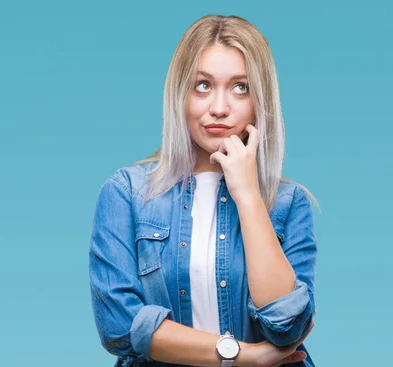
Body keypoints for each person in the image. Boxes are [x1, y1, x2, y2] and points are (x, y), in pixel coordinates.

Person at [88, 14, 319, 367]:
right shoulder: (127, 194)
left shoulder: (288, 204)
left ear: (261, 101)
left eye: (240, 87)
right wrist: (244, 356)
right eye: (203, 85)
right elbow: (121, 327)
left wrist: (247, 195)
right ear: (180, 94)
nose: (220, 108)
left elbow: (286, 325)